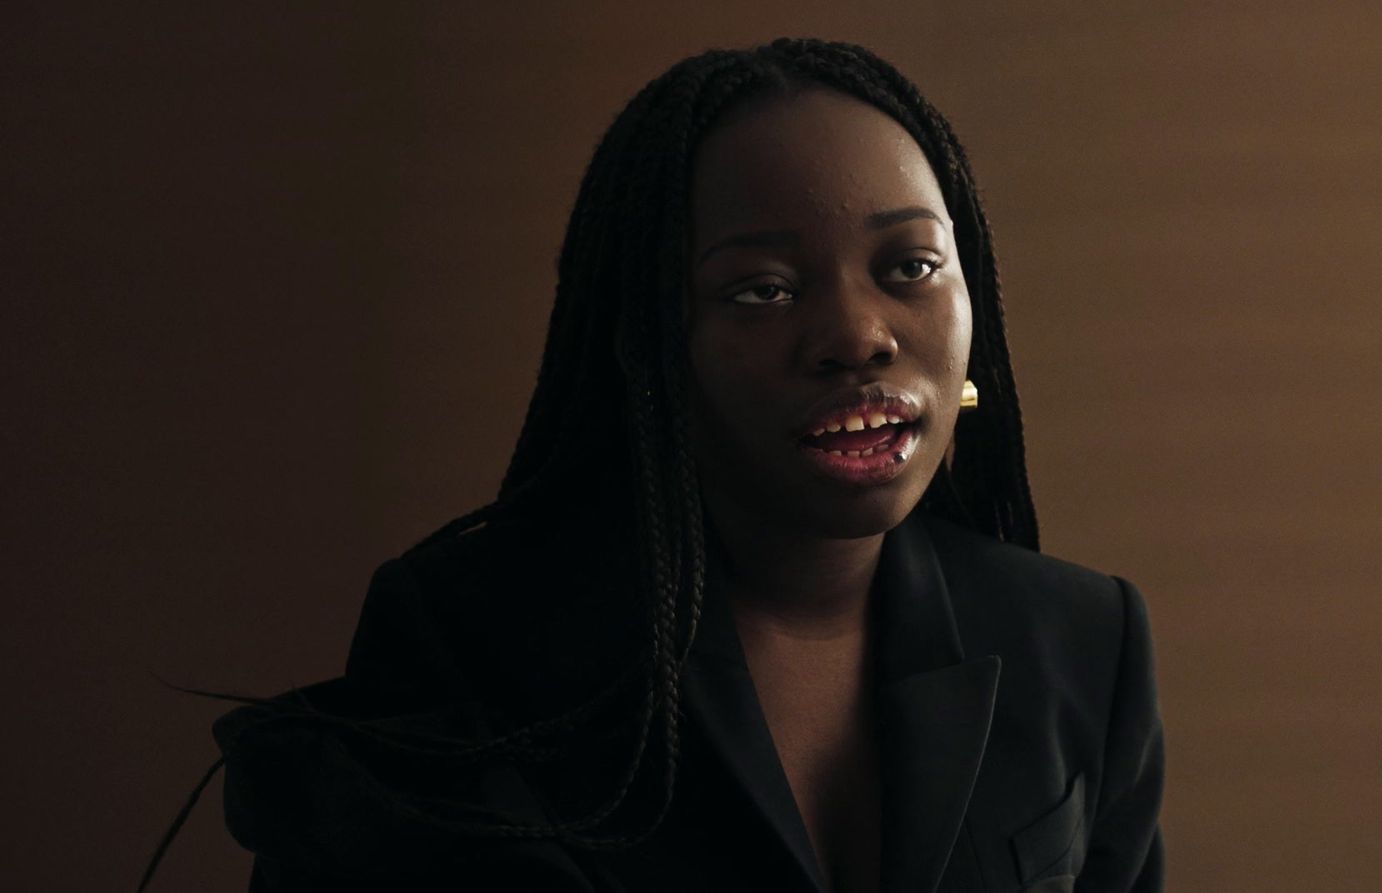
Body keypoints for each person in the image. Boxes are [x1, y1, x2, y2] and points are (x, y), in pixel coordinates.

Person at [150, 37, 1163, 893]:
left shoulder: (1080, 643)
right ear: (647, 343)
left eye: (909, 267)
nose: (855, 334)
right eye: (760, 289)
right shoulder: (469, 643)